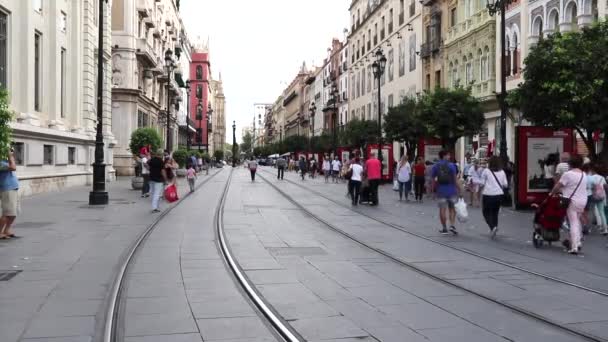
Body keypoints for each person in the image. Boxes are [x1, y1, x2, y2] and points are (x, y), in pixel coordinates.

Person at [549, 154, 587, 254]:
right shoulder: (583, 174)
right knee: (577, 221)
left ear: (570, 164)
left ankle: (574, 246)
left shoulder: (568, 174)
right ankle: (578, 242)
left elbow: (558, 185)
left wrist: (552, 193)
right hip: (582, 200)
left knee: (573, 222)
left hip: (571, 201)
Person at [431, 150, 460, 235]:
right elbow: (455, 179)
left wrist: (433, 191)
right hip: (452, 190)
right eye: (448, 155)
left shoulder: (436, 166)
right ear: (444, 156)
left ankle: (444, 228)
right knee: (452, 209)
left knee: (442, 210)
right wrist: (459, 189)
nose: (449, 157)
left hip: (441, 191)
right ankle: (452, 225)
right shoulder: (452, 165)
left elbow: (432, 180)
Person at [480, 156, 509, 238]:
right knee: (495, 213)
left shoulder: (486, 171)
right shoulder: (502, 172)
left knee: (485, 212)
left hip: (488, 194)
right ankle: (494, 228)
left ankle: (493, 227)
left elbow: (482, 183)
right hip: (499, 195)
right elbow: (505, 184)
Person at [0, 149, 20, 240]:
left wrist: (10, 155)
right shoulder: (1, 163)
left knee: (13, 213)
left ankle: (6, 230)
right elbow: (13, 167)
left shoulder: (4, 161)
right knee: (7, 213)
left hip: (13, 188)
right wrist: (10, 156)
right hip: (7, 189)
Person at [586, 164, 607, 235]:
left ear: (592, 170)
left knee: (591, 212)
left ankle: (588, 228)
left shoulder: (591, 177)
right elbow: (605, 187)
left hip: (593, 196)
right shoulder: (602, 178)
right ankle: (605, 229)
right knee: (602, 212)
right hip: (601, 196)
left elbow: (589, 186)